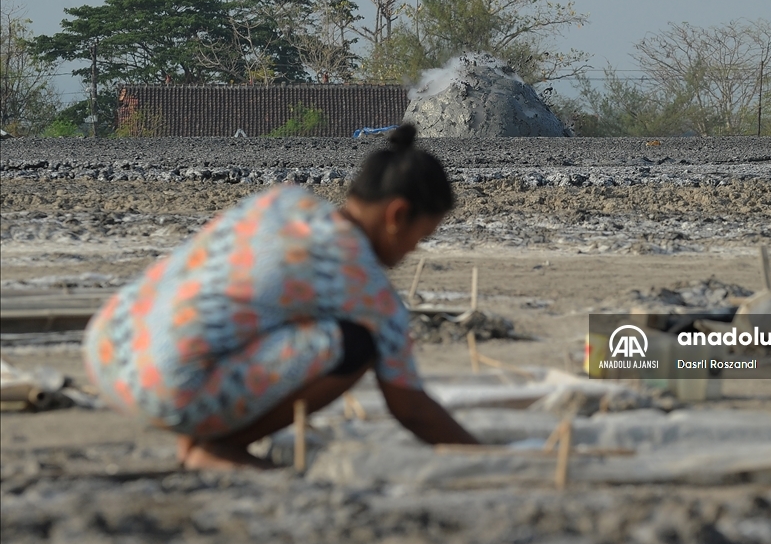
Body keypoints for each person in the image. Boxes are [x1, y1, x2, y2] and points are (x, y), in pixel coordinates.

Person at [82, 124, 479, 470]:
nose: (412, 252)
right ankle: (217, 447)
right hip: (166, 391)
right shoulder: (371, 292)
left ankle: (209, 436)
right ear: (396, 215)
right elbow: (410, 408)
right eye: (419, 238)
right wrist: (484, 454)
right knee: (355, 344)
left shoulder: (280, 201)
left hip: (106, 350)